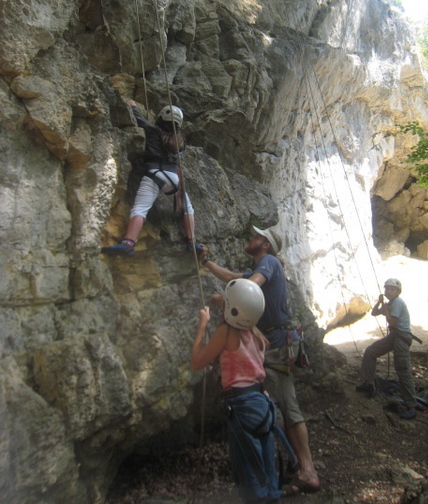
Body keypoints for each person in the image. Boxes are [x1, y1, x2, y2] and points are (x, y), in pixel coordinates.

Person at [199, 226, 320, 494]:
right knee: (275, 405)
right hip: (273, 342)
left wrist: (224, 299)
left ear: (266, 245)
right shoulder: (262, 266)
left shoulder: (269, 262)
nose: (250, 238)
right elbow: (232, 277)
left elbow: (248, 287)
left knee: (286, 405)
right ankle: (291, 464)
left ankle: (307, 470)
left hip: (276, 343)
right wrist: (206, 262)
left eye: (256, 237)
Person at [191, 278, 283, 503]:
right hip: (263, 405)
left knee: (250, 472)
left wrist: (202, 325)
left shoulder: (226, 332)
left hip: (242, 408)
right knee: (267, 467)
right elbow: (239, 305)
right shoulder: (256, 334)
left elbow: (197, 362)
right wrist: (220, 300)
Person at [101, 100, 201, 256]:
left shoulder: (153, 130)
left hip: (154, 173)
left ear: (161, 117)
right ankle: (191, 242)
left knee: (140, 208)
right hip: (173, 177)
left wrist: (133, 106)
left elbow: (139, 120)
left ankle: (129, 243)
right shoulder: (180, 142)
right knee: (188, 208)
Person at [356, 278, 417, 420]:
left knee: (403, 370)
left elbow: (391, 321)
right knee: (371, 351)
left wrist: (385, 307)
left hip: (401, 338)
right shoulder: (390, 303)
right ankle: (368, 382)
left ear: (398, 291)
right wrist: (379, 302)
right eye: (387, 289)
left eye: (392, 289)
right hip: (394, 336)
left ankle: (411, 406)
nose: (388, 291)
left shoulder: (398, 303)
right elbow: (374, 313)